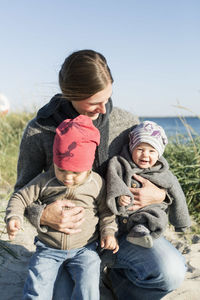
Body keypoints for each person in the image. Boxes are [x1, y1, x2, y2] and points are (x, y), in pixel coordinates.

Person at [13, 49, 186, 299]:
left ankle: (115, 281)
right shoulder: (39, 130)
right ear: (70, 93)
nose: (104, 109)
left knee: (171, 272)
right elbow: (23, 189)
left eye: (108, 98)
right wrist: (43, 215)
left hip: (121, 233)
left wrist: (160, 195)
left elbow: (157, 170)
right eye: (94, 102)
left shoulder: (126, 122)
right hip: (68, 241)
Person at [6, 115, 118, 300]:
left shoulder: (96, 183)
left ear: (89, 166)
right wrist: (14, 217)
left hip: (85, 249)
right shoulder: (46, 180)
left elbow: (107, 212)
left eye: (75, 173)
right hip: (48, 249)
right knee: (37, 287)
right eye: (61, 169)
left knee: (89, 284)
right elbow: (20, 197)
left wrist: (108, 233)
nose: (68, 177)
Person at [106, 120, 190, 248]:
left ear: (159, 154)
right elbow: (114, 179)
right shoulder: (120, 163)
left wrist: (181, 223)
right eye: (140, 149)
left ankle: (141, 232)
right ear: (131, 148)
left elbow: (178, 196)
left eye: (152, 151)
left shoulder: (164, 174)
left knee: (158, 216)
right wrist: (120, 194)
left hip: (148, 216)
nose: (145, 154)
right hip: (120, 218)